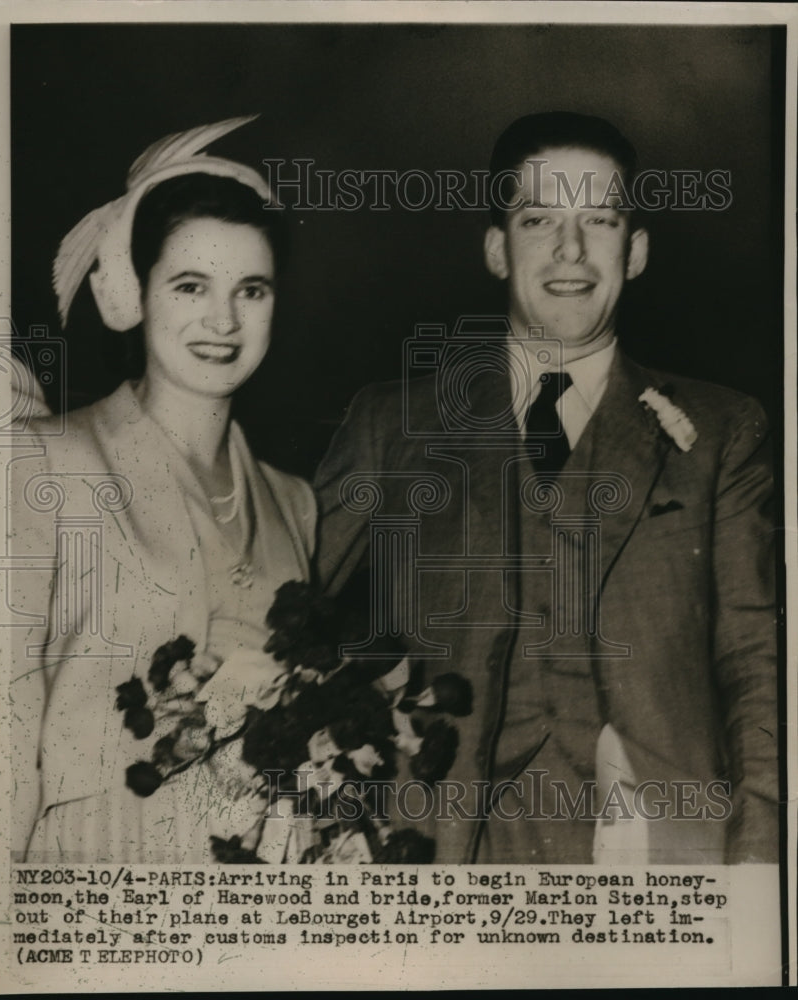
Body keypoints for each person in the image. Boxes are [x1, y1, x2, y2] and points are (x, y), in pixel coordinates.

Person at [314, 111, 779, 864]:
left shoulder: (723, 430)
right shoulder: (391, 424)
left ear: (635, 251)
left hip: (655, 862)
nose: (570, 250)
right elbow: (279, 616)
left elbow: (757, 666)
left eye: (599, 218)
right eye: (538, 219)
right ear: (498, 249)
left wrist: (759, 867)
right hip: (435, 861)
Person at [10, 118, 315, 863]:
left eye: (251, 289)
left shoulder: (294, 501)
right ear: (132, 293)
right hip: (93, 872)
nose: (223, 320)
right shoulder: (43, 460)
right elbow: (1, 727)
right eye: (190, 285)